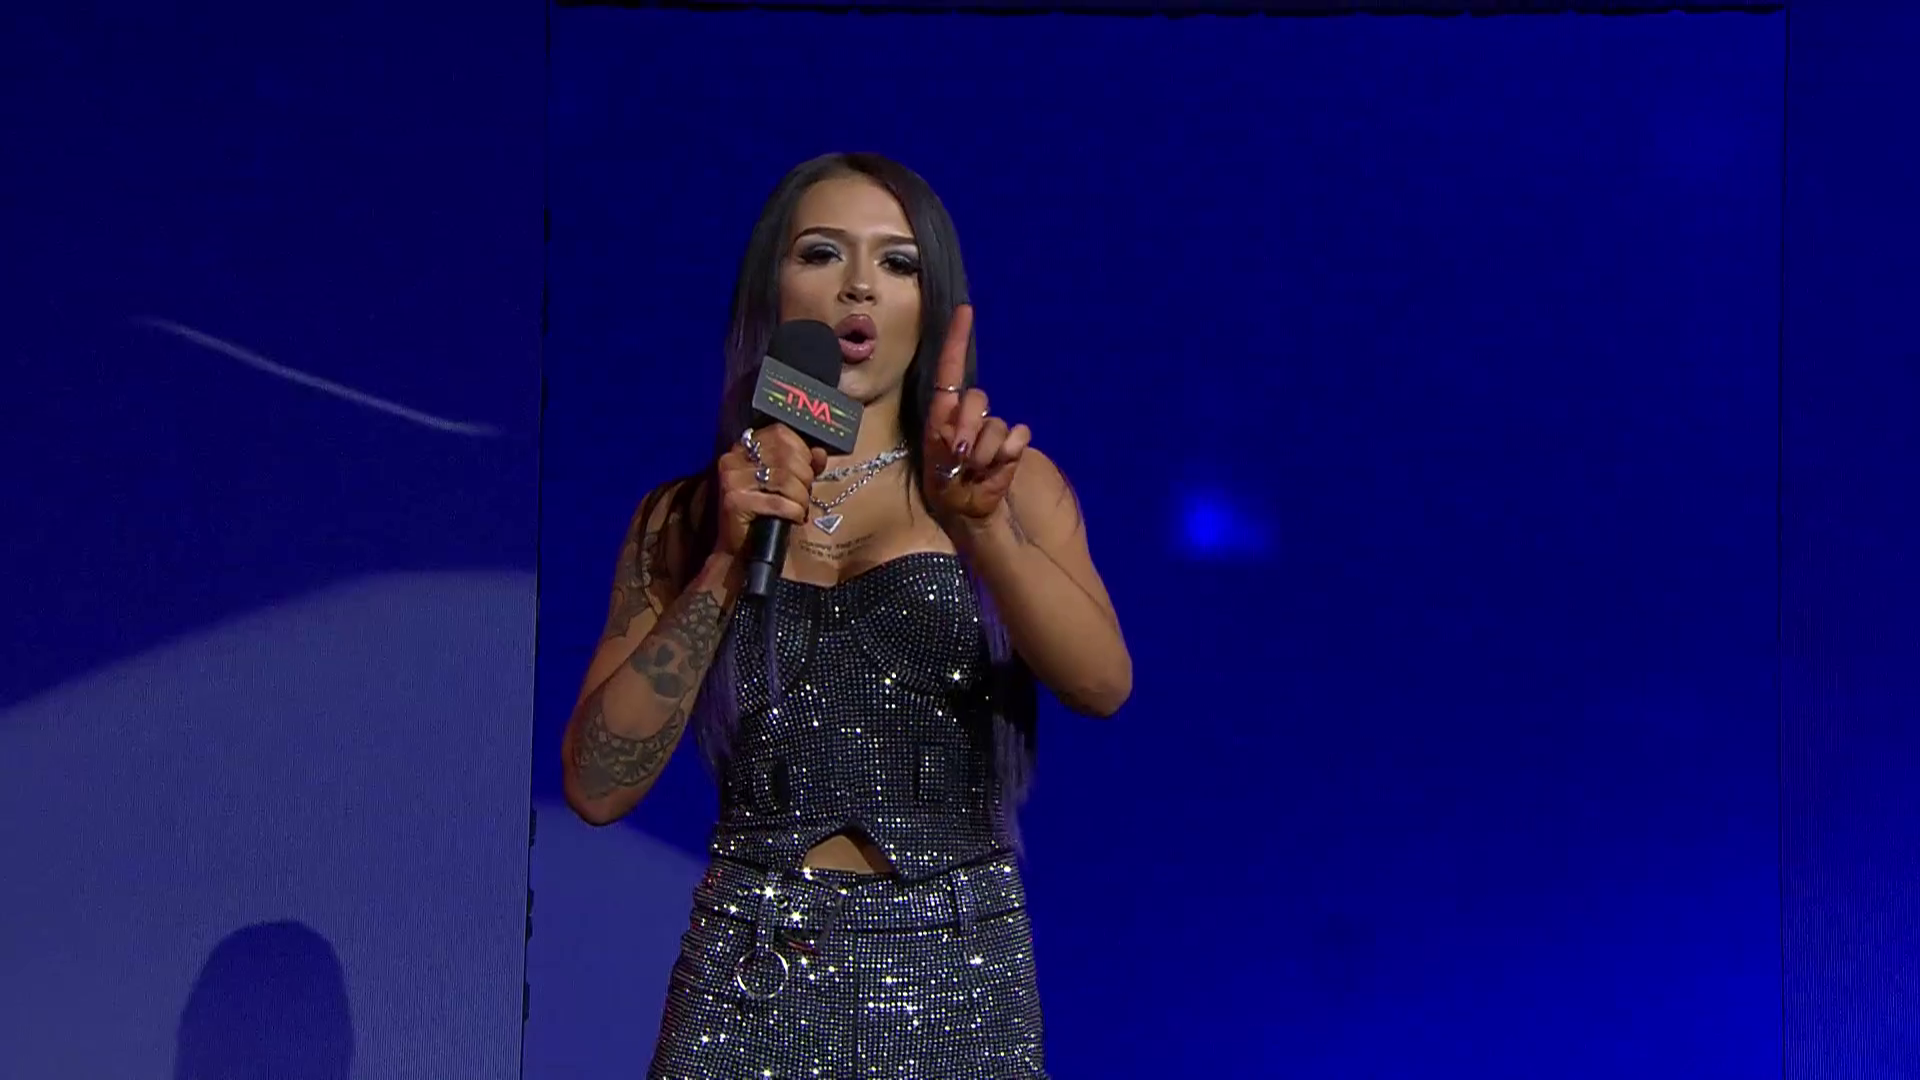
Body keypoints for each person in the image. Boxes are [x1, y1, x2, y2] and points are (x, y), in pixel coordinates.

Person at [560, 152, 1131, 1079]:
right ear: (772, 290)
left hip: (957, 971)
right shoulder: (686, 517)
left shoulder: (1008, 485)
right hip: (751, 968)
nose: (859, 285)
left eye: (898, 263)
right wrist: (726, 560)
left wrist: (980, 529)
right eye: (822, 253)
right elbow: (596, 788)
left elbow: (1104, 684)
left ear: (931, 303)